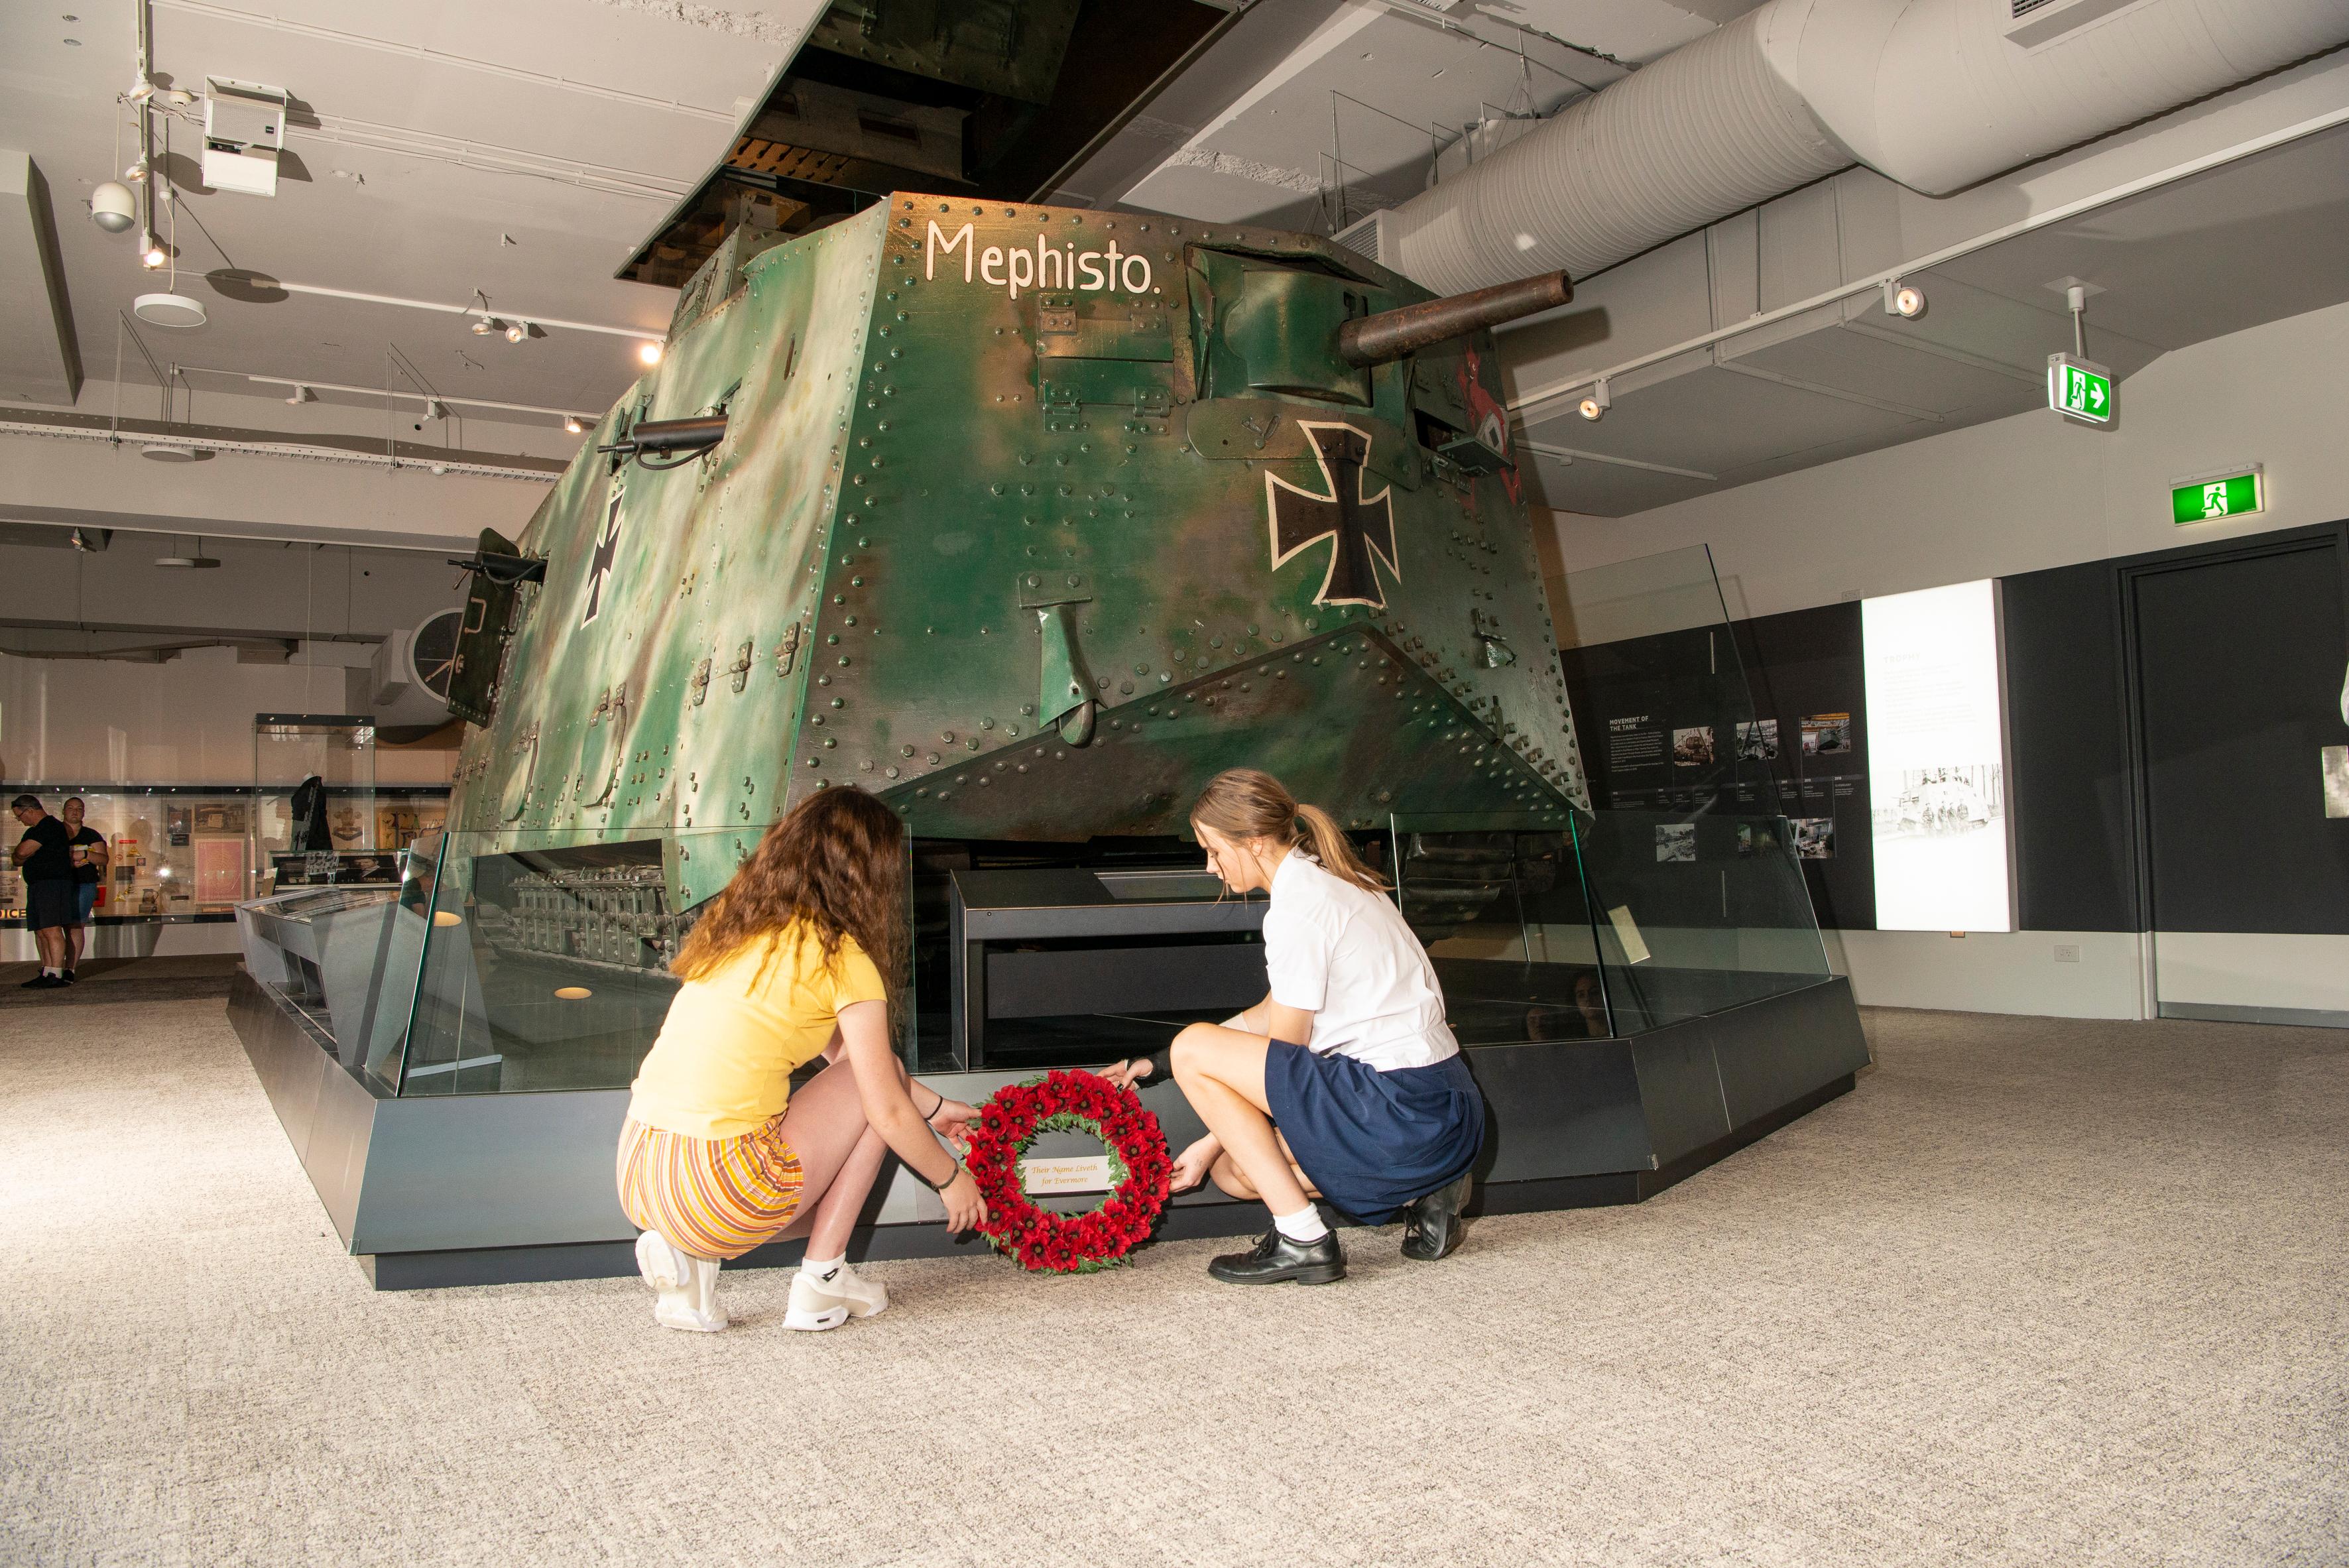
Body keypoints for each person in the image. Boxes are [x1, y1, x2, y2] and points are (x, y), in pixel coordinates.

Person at [616, 787, 987, 1333]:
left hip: (641, 1171)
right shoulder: (843, 957)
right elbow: (880, 1102)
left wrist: (932, 1108)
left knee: (870, 1074)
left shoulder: (739, 931)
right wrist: (951, 1178)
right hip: (722, 1189)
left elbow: (843, 1053)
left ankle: (690, 1267)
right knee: (871, 1095)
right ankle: (822, 1280)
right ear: (869, 873)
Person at [1103, 769, 1486, 1286]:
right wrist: (1157, 1062)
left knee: (1197, 1047)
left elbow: (1282, 1056)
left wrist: (1205, 1137)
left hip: (1400, 1107)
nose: (1210, 866)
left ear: (1255, 841)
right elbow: (1270, 1009)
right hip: (1446, 1106)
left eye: (1214, 850)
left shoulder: (1299, 908)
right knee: (1235, 1173)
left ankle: (1304, 1241)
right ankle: (1426, 1189)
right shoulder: (1333, 879)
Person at [10, 795, 76, 989]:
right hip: (39, 885)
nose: (20, 820)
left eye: (19, 816)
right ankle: (47, 970)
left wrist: (25, 853)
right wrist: (23, 853)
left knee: (51, 928)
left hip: (51, 884)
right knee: (41, 930)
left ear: (30, 810)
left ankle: (56, 972)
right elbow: (17, 858)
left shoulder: (48, 826)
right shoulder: (35, 831)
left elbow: (21, 853)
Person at [60, 798, 109, 977]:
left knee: (76, 925)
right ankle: (52, 966)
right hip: (59, 884)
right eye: (71, 808)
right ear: (64, 811)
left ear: (84, 812)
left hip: (84, 884)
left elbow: (103, 859)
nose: (75, 812)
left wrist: (86, 855)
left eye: (79, 809)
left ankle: (70, 968)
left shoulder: (91, 835)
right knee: (53, 927)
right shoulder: (55, 832)